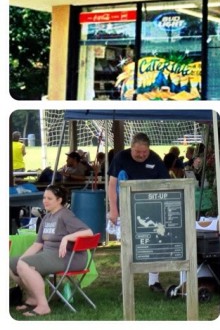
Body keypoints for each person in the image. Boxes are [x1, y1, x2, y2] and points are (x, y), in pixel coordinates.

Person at [9, 184, 93, 317]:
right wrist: (21, 259)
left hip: (69, 257)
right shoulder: (47, 218)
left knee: (23, 265)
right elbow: (37, 245)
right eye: (44, 198)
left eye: (49, 198)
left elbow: (88, 232)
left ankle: (43, 306)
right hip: (49, 255)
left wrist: (66, 238)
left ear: (59, 200)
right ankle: (32, 298)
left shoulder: (65, 215)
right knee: (10, 263)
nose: (45, 201)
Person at [107, 132, 170, 293]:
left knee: (155, 243)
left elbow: (166, 185)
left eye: (145, 152)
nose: (141, 155)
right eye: (137, 152)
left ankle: (154, 281)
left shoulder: (156, 159)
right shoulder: (120, 158)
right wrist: (113, 209)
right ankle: (127, 283)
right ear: (131, 147)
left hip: (152, 208)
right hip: (126, 208)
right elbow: (112, 185)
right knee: (127, 245)